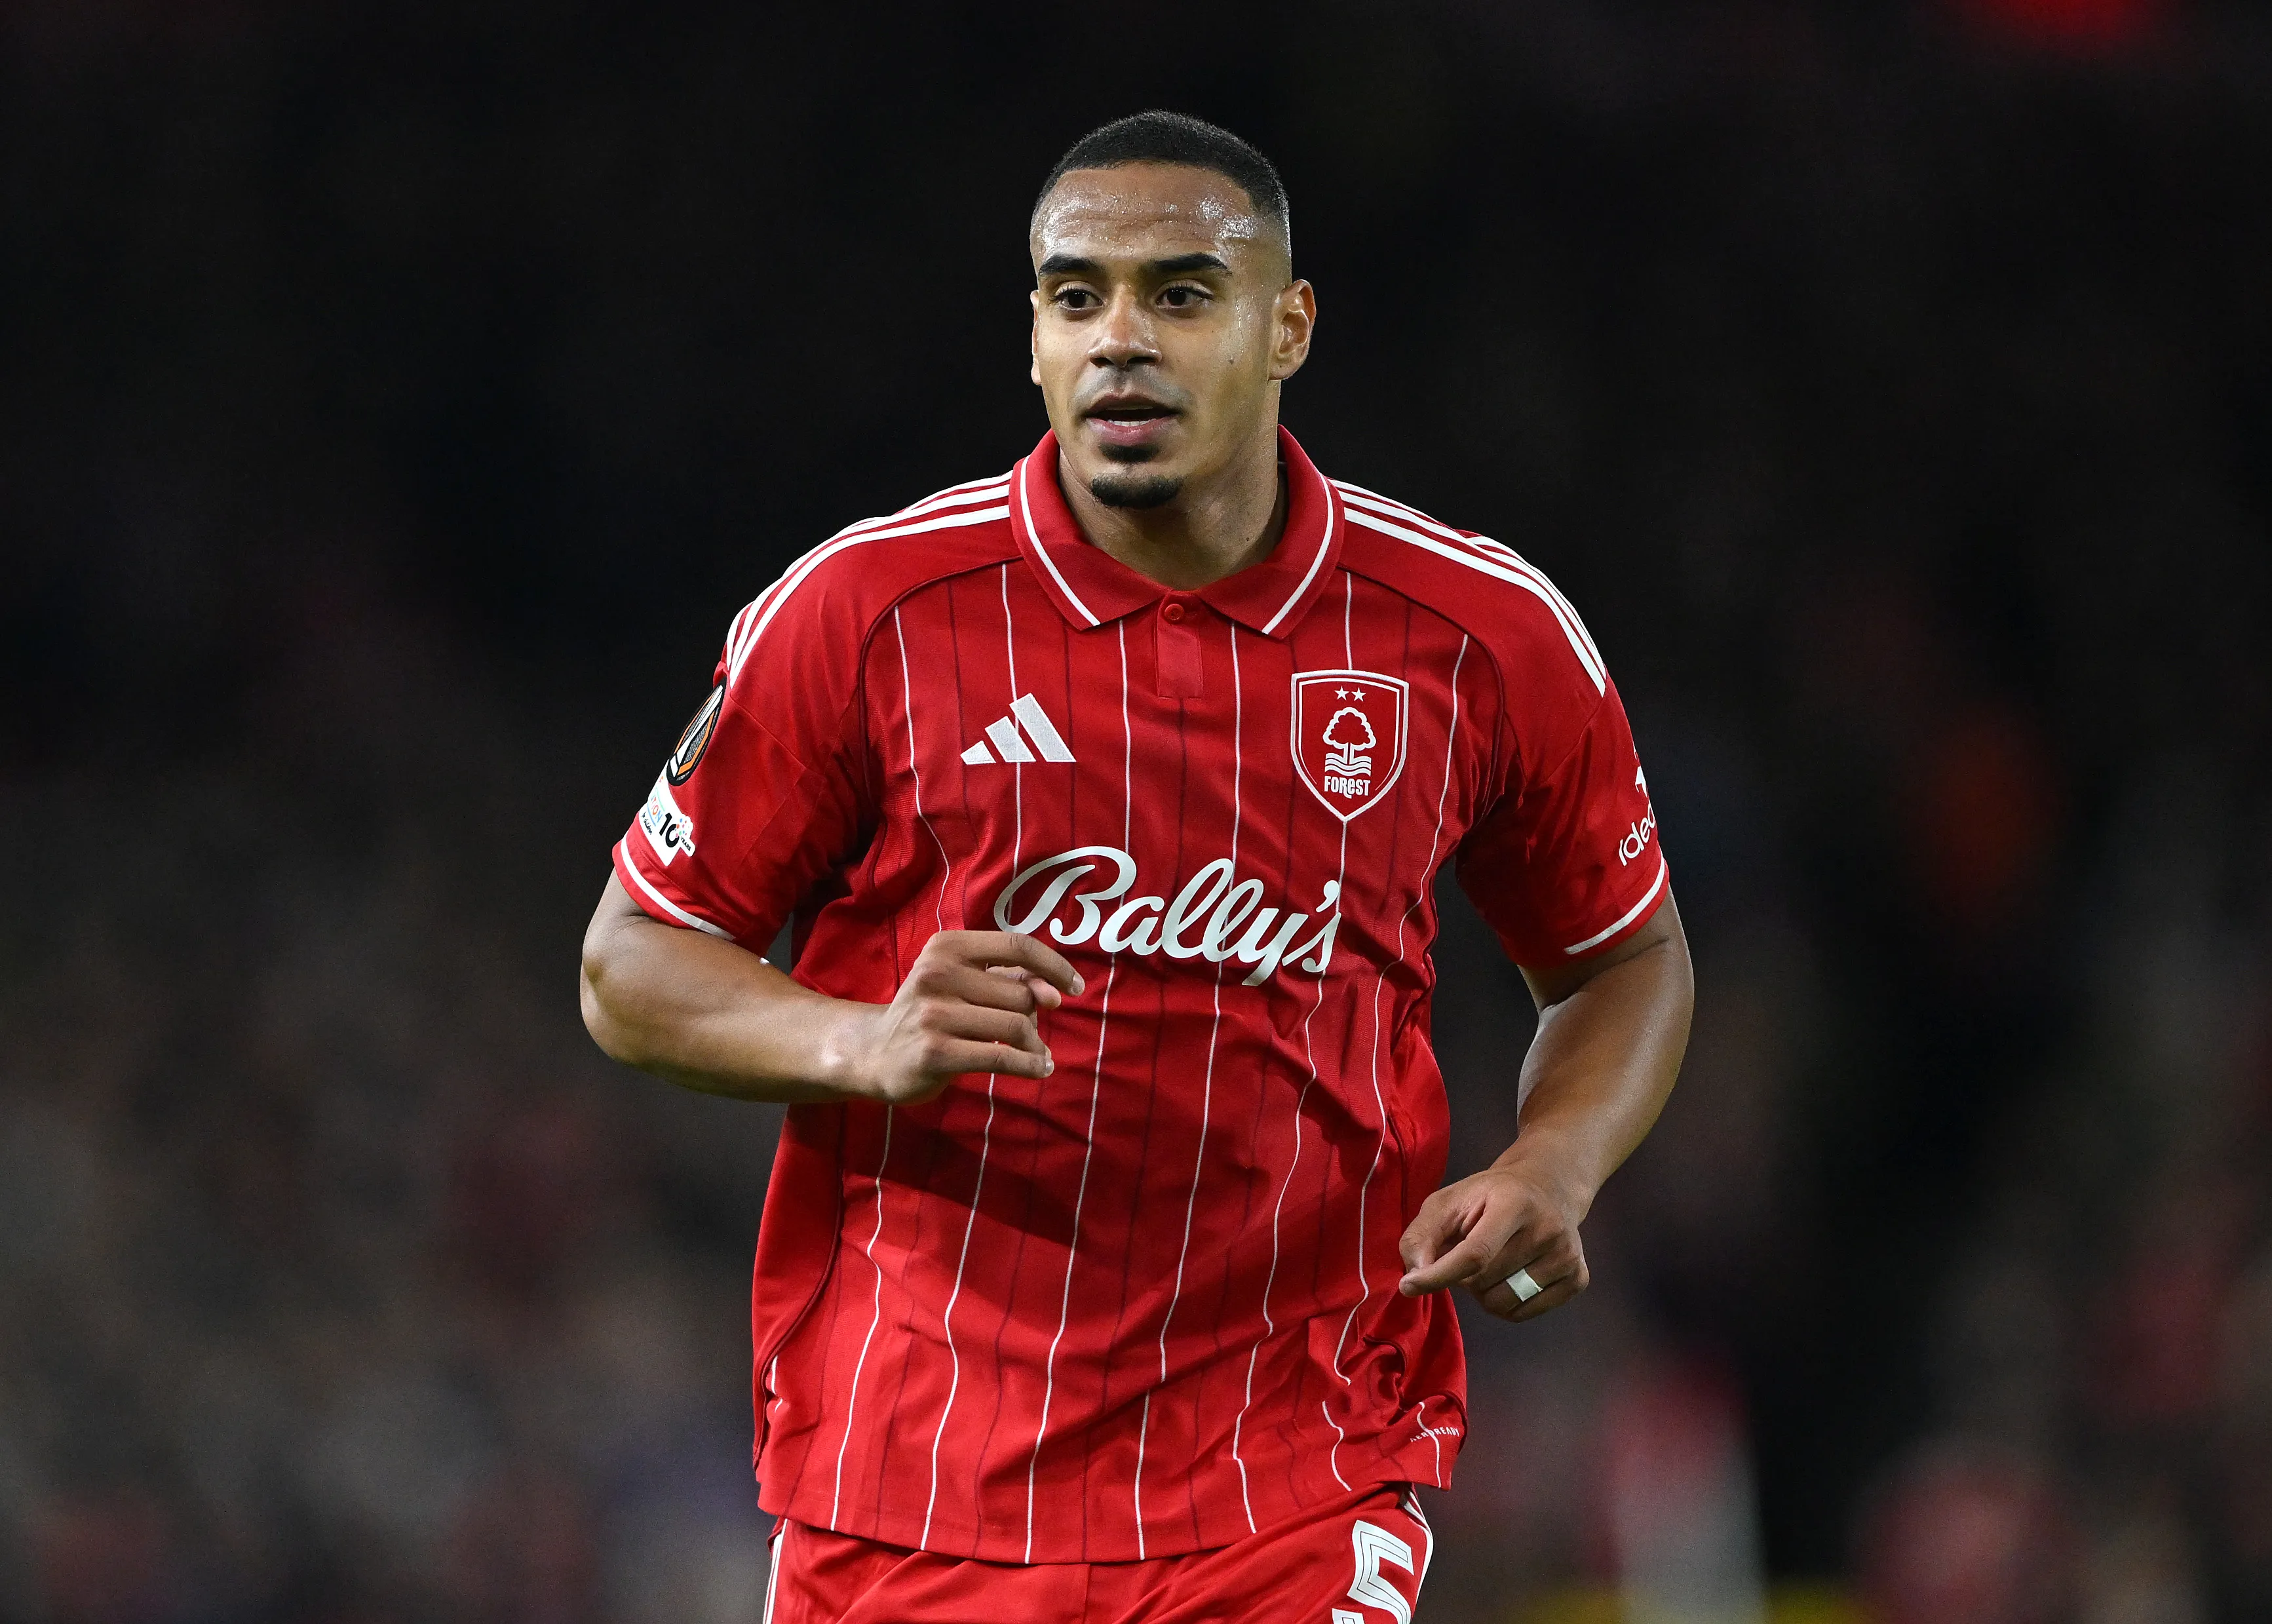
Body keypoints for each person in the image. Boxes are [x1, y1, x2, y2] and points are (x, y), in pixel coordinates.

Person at [579, 109, 1693, 1624]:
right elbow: (629, 963)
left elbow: (1620, 955)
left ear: (1286, 325)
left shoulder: (1472, 634)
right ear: (1032, 339)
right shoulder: (865, 612)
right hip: (912, 1484)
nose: (1120, 341)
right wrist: (858, 1036)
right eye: (1075, 297)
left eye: (1180, 294)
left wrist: (1549, 1164)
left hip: (1294, 1467)